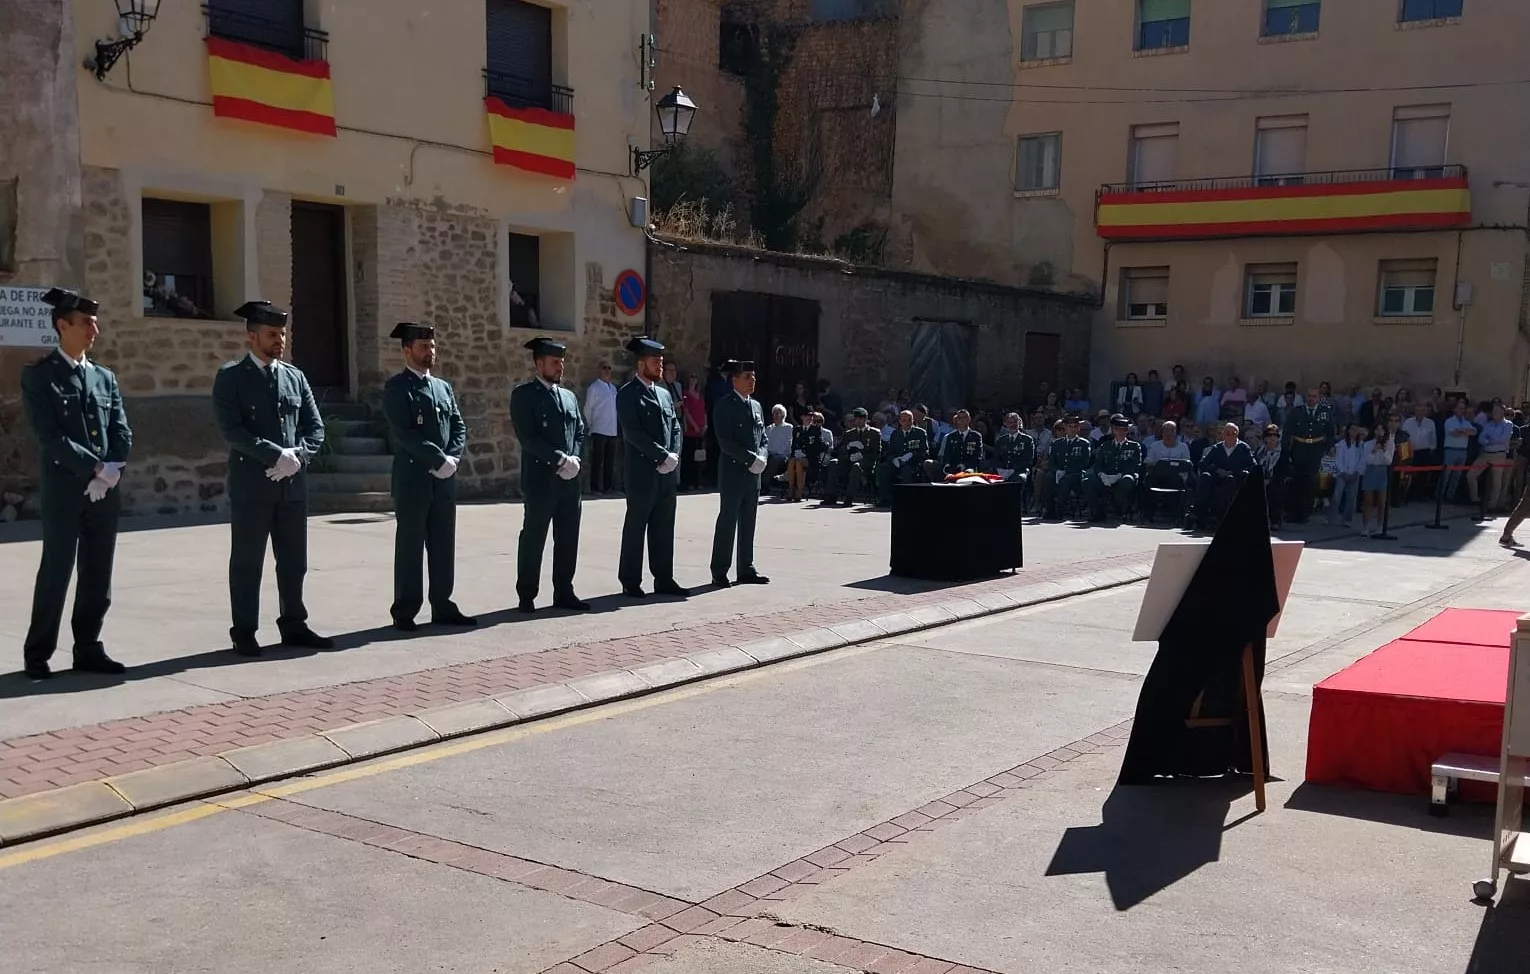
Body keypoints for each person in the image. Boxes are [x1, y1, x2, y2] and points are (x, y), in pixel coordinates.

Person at [19, 288, 132, 679]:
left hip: (105, 492)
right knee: (57, 571)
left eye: (95, 322)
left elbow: (121, 431)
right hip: (66, 492)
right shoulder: (40, 376)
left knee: (98, 574)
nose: (94, 329)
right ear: (62, 325)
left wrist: (113, 470)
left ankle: (88, 647)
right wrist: (96, 469)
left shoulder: (105, 377)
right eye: (86, 322)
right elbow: (50, 438)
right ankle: (38, 653)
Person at [211, 301, 331, 657]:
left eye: (281, 333)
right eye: (271, 334)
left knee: (294, 560)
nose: (279, 340)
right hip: (253, 484)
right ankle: (244, 629)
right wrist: (273, 454)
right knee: (248, 561)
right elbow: (231, 429)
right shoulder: (231, 376)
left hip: (292, 484)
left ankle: (294, 623)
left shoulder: (294, 376)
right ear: (252, 336)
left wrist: (298, 456)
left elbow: (315, 426)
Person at [381, 322, 474, 631]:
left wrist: (453, 459)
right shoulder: (397, 387)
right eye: (423, 347)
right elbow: (404, 432)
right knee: (410, 545)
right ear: (407, 351)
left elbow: (458, 426)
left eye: (432, 346)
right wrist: (436, 458)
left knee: (443, 543)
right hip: (413, 479)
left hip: (444, 479)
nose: (430, 351)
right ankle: (405, 610)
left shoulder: (443, 388)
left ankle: (443, 603)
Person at [510, 337, 590, 613]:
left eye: (562, 363)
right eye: (555, 363)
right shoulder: (524, 395)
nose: (560, 368)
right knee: (534, 537)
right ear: (539, 363)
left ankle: (564, 590)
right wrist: (559, 459)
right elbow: (528, 437)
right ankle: (527, 593)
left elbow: (580, 430)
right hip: (540, 480)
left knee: (568, 538)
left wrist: (575, 458)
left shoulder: (568, 397)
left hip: (569, 481)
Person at [615, 336, 688, 599]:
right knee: (636, 527)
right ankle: (630, 580)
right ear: (641, 363)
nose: (660, 366)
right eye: (655, 361)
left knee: (663, 527)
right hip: (642, 473)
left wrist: (674, 455)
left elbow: (676, 426)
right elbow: (633, 433)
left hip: (667, 473)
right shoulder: (627, 394)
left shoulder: (665, 394)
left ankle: (664, 577)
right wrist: (660, 456)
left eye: (661, 361)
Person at [710, 360, 770, 587]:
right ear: (734, 380)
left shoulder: (756, 406)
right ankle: (719, 570)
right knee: (728, 521)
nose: (752, 380)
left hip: (753, 474)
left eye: (753, 376)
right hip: (734, 472)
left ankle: (746, 567)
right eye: (747, 376)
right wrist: (750, 458)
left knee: (749, 521)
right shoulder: (724, 405)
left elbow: (762, 437)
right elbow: (725, 441)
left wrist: (762, 456)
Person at [1283, 388, 1335, 524]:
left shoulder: (1325, 412)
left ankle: (1305, 512)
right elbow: (1288, 431)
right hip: (1298, 449)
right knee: (1296, 482)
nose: (1312, 399)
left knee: (1310, 482)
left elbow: (1330, 431)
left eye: (1315, 396)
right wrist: (1286, 450)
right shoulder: (1297, 412)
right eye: (1310, 396)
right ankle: (1293, 512)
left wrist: (1327, 447)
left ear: (1318, 398)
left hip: (1315, 450)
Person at [1193, 422, 1256, 530]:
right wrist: (1216, 470)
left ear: (1237, 434)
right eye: (1227, 433)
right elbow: (1203, 463)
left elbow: (1252, 465)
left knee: (1229, 481)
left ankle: (1219, 515)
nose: (1230, 436)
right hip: (1217, 477)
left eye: (1233, 433)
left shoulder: (1243, 448)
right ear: (1223, 435)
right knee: (1205, 477)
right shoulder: (1217, 448)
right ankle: (1200, 512)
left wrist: (1233, 471)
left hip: (1234, 478)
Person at [1088, 414, 1143, 522]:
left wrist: (1119, 475)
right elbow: (1099, 464)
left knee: (1126, 481)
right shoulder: (1106, 446)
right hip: (1107, 476)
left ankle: (1118, 508)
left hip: (1124, 475)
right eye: (1118, 429)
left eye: (1124, 430)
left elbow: (1136, 465)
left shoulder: (1135, 446)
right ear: (1113, 430)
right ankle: (1098, 511)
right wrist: (1102, 475)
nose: (1121, 432)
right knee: (1087, 481)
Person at [827, 407, 881, 505]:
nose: (859, 421)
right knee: (833, 463)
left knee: (857, 467)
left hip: (865, 463)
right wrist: (848, 448)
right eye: (857, 418)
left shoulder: (874, 433)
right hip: (848, 461)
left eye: (862, 418)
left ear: (866, 419)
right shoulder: (849, 433)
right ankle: (831, 496)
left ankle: (849, 498)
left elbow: (876, 451)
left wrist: (861, 454)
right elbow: (841, 450)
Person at [1043, 415, 1093, 519]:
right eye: (1070, 426)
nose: (1072, 429)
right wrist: (1057, 471)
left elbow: (1084, 463)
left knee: (1066, 480)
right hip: (1059, 472)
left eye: (1075, 426)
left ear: (1078, 428)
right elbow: (1052, 462)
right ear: (1065, 427)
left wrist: (1066, 471)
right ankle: (1050, 510)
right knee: (1048, 477)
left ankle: (1060, 511)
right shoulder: (1057, 443)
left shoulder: (1084, 443)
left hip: (1076, 474)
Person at [877, 409, 932, 505]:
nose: (907, 423)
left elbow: (925, 452)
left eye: (909, 420)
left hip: (912, 463)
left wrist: (912, 455)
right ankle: (886, 499)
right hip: (897, 463)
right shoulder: (896, 434)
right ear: (899, 421)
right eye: (904, 420)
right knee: (883, 469)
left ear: (913, 420)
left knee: (906, 471)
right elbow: (890, 452)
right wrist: (894, 459)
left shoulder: (920, 433)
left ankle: (905, 500)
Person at [582, 363, 620, 495]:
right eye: (605, 368)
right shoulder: (594, 388)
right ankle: (595, 487)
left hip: (612, 429)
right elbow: (588, 408)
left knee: (610, 460)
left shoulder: (613, 388)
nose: (607, 370)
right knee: (598, 460)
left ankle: (608, 487)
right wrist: (592, 424)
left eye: (609, 368)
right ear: (598, 370)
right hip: (599, 428)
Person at [1469, 402, 1514, 511]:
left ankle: (1492, 505)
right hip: (1485, 454)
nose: (1495, 414)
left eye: (1498, 411)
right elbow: (1481, 438)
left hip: (1499, 454)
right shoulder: (1489, 424)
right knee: (1471, 475)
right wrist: (1490, 440)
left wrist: (1489, 439)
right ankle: (1475, 499)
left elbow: (1503, 439)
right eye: (1494, 411)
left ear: (1503, 413)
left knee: (1496, 481)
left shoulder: (1507, 424)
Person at [1438, 398, 1476, 503]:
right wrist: (1465, 432)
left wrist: (1462, 431)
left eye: (1463, 409)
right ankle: (1439, 495)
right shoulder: (1449, 421)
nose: (1461, 411)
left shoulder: (1466, 422)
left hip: (1463, 451)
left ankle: (1450, 496)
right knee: (1446, 474)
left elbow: (1473, 432)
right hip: (1451, 450)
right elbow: (1453, 433)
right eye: (1459, 409)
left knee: (1457, 475)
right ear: (1455, 410)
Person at [1360, 422, 1395, 537]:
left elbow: (1389, 461)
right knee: (1368, 501)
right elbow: (1366, 460)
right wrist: (1374, 451)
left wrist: (1384, 451)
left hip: (1382, 471)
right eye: (1377, 429)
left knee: (1381, 502)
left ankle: (1380, 526)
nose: (1379, 432)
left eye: (1381, 429)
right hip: (1370, 471)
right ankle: (1366, 526)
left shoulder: (1390, 444)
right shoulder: (1368, 444)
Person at [1328, 424, 1366, 528]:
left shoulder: (1361, 445)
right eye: (1352, 429)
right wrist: (1343, 472)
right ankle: (1332, 519)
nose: (1354, 432)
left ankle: (1347, 520)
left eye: (1356, 430)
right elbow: (1338, 459)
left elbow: (1362, 460)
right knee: (1336, 496)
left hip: (1355, 474)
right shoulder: (1342, 444)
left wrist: (1357, 472)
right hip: (1342, 474)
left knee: (1351, 498)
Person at [1256, 424, 1292, 529]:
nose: (1272, 437)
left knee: (1274, 491)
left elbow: (1286, 471)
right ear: (1265, 438)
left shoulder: (1283, 453)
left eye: (1275, 435)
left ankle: (1275, 521)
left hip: (1277, 480)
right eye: (1269, 435)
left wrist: (1270, 480)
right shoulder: (1260, 452)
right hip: (1260, 479)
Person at [680, 373, 708, 491]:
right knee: (688, 458)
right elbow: (686, 412)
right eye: (691, 379)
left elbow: (704, 411)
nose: (693, 381)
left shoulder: (700, 396)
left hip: (701, 431)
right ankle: (687, 483)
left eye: (695, 379)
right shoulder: (685, 395)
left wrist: (705, 425)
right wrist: (695, 426)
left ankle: (698, 481)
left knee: (699, 458)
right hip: (691, 431)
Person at [992, 412, 1035, 486]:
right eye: (1010, 422)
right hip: (1002, 470)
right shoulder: (1001, 440)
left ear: (1019, 423)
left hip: (1019, 470)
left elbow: (1028, 460)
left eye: (1015, 422)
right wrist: (1000, 470)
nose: (1013, 425)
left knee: (1019, 479)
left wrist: (1012, 470)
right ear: (1005, 424)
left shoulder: (1027, 439)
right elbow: (996, 458)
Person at [940, 409, 985, 475]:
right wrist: (947, 464)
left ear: (969, 419)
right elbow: (947, 454)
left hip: (969, 469)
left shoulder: (976, 436)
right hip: (953, 469)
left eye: (964, 418)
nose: (962, 420)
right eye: (959, 418)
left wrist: (966, 466)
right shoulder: (951, 436)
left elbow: (977, 455)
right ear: (956, 420)